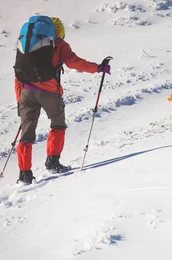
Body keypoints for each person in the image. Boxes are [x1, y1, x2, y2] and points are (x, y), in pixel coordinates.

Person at [14, 17, 111, 184]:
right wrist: (98, 68)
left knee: (26, 134)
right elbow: (75, 63)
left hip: (25, 92)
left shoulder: (26, 43)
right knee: (58, 125)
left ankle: (24, 174)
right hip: (49, 91)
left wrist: (19, 102)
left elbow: (18, 73)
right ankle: (53, 162)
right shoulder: (58, 44)